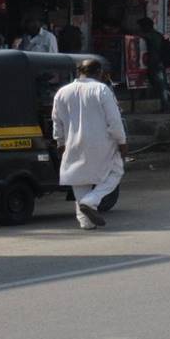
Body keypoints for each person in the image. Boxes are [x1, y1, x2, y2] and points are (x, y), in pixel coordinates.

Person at [51, 58, 128, 230]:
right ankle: (91, 201)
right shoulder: (101, 89)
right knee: (116, 171)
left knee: (79, 179)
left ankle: (86, 222)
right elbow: (114, 121)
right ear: (99, 72)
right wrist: (122, 141)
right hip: (101, 142)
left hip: (73, 143)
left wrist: (60, 142)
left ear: (79, 72)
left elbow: (57, 121)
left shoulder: (62, 92)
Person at [135, 18, 170, 113]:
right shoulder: (157, 35)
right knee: (161, 86)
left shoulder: (152, 35)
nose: (140, 28)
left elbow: (140, 35)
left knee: (162, 87)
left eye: (141, 26)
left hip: (156, 64)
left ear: (146, 26)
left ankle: (167, 107)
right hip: (157, 64)